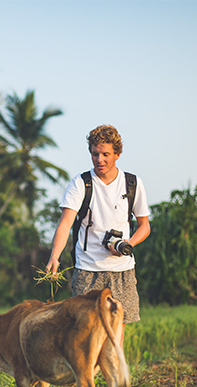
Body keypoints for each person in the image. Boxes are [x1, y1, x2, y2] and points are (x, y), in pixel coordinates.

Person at [45, 124, 152, 325]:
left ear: (117, 154)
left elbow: (144, 226)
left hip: (122, 270)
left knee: (117, 332)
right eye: (95, 154)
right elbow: (65, 223)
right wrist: (54, 256)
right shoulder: (81, 183)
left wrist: (127, 245)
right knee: (85, 331)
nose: (99, 160)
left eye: (105, 154)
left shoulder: (132, 183)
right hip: (87, 269)